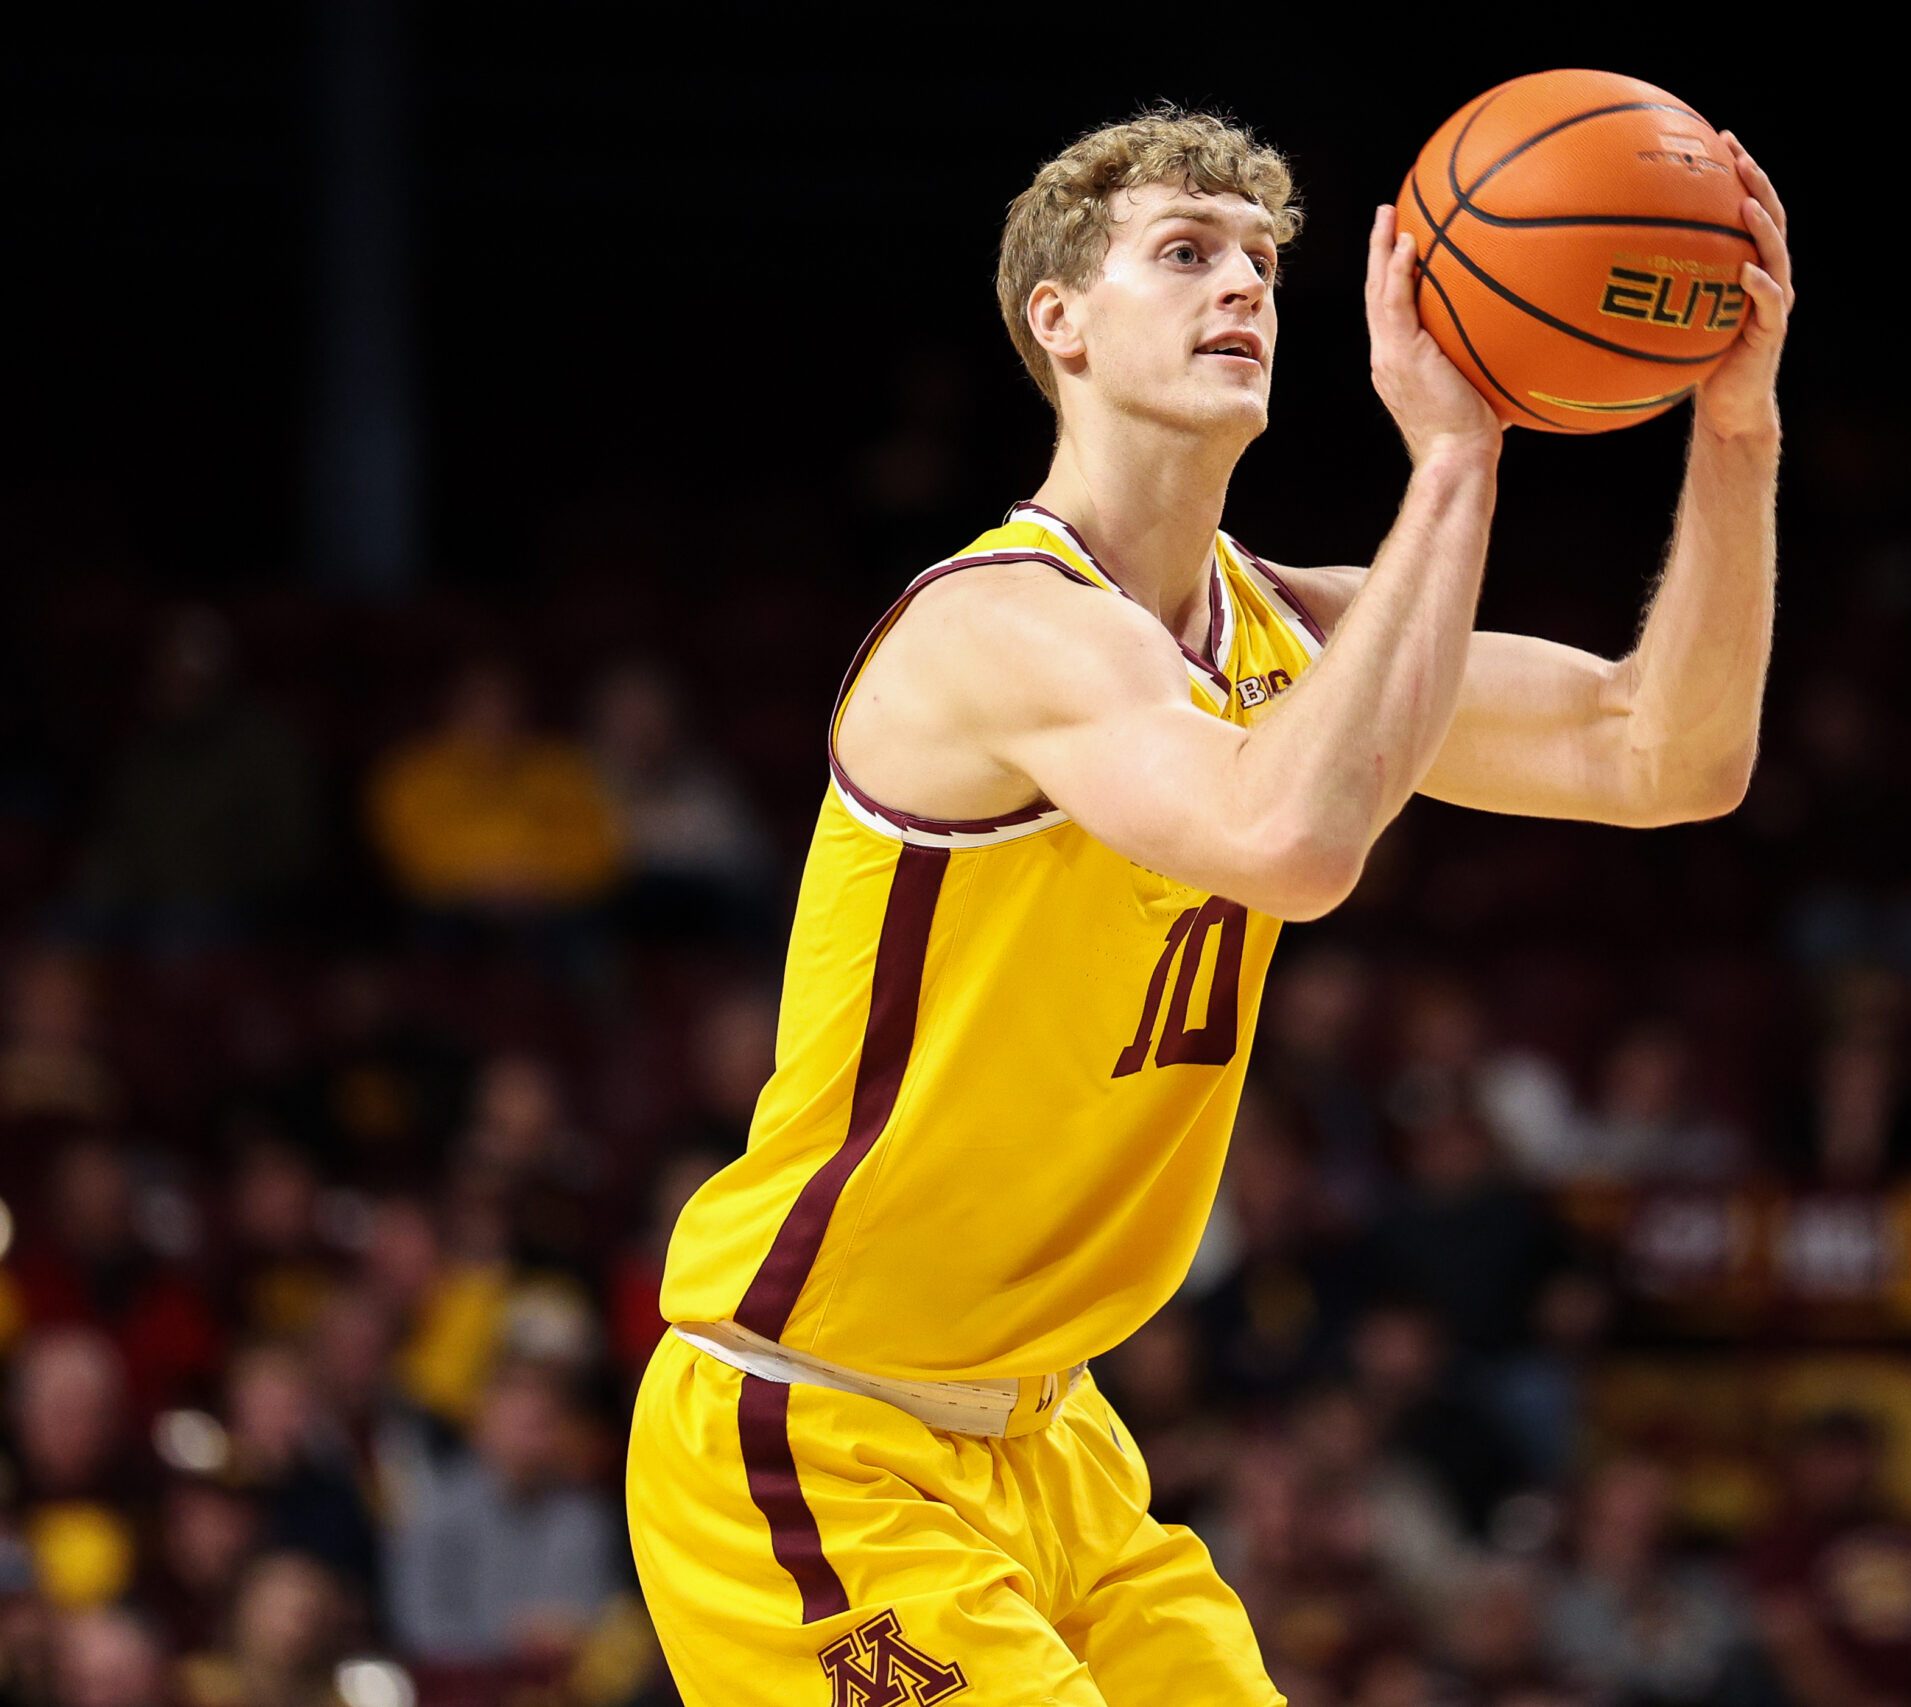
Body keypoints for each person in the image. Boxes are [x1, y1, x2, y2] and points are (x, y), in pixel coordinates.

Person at [628, 106, 1792, 1706]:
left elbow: (1665, 750)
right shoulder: (996, 629)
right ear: (1060, 321)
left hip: (1053, 1436)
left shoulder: (1283, 629)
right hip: (809, 1429)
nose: (1243, 285)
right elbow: (1288, 837)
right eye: (1184, 253)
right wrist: (1458, 458)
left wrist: (1738, 434)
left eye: (1260, 262)